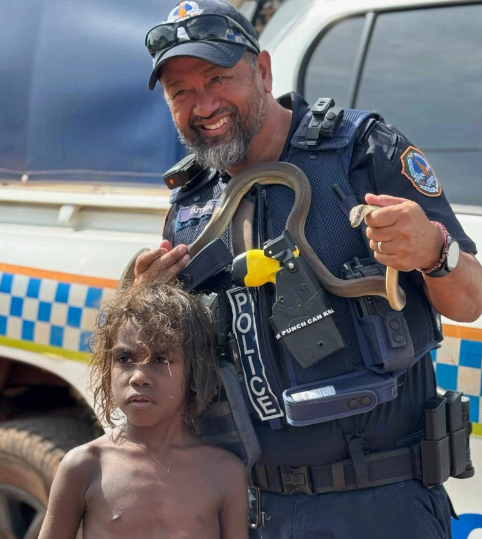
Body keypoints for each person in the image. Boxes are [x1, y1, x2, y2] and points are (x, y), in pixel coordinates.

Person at [136, 1, 482, 538]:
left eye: (218, 78)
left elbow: (470, 301)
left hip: (383, 507)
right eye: (181, 92)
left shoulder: (362, 151)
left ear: (263, 71)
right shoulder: (190, 205)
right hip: (254, 513)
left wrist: (435, 252)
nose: (203, 105)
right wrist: (145, 305)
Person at [38, 281, 248, 539]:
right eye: (124, 359)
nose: (138, 377)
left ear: (195, 373)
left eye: (160, 359)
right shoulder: (86, 466)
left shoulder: (224, 472)